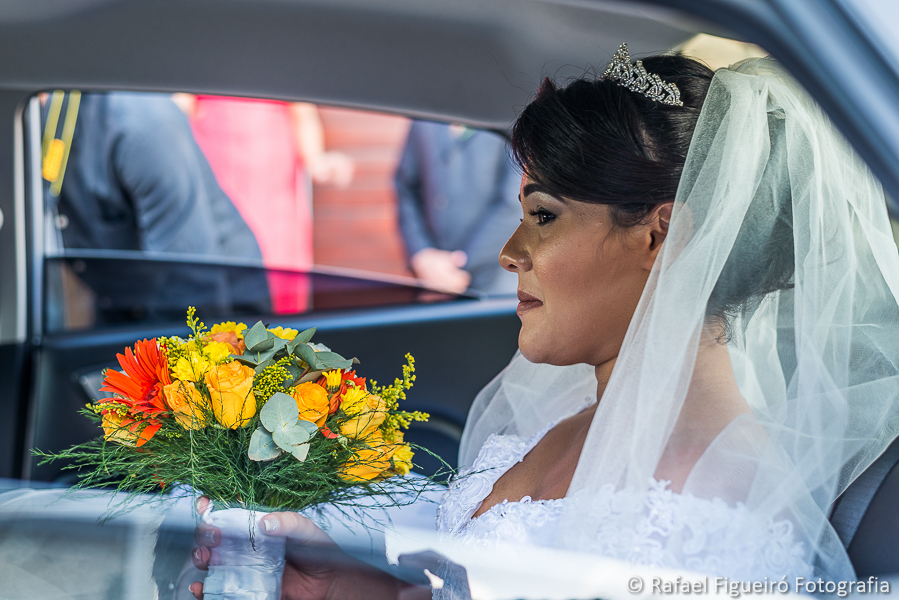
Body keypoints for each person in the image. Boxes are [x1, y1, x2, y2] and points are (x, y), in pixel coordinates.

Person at [189, 47, 899, 596]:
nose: (508, 253)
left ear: (661, 240)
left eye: (543, 218)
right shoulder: (571, 428)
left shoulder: (712, 513)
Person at [46, 91, 270, 323]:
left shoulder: (142, 126)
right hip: (125, 303)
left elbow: (190, 286)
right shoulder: (43, 127)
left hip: (221, 310)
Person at [182, 96, 355, 314]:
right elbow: (182, 105)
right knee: (219, 270)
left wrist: (317, 160)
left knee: (277, 271)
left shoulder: (285, 66)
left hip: (273, 196)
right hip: (218, 179)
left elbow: (302, 115)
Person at [395, 121, 520, 295]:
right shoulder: (423, 115)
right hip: (432, 280)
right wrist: (422, 254)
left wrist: (458, 265)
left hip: (495, 283)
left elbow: (515, 202)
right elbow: (406, 187)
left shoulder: (511, 117)